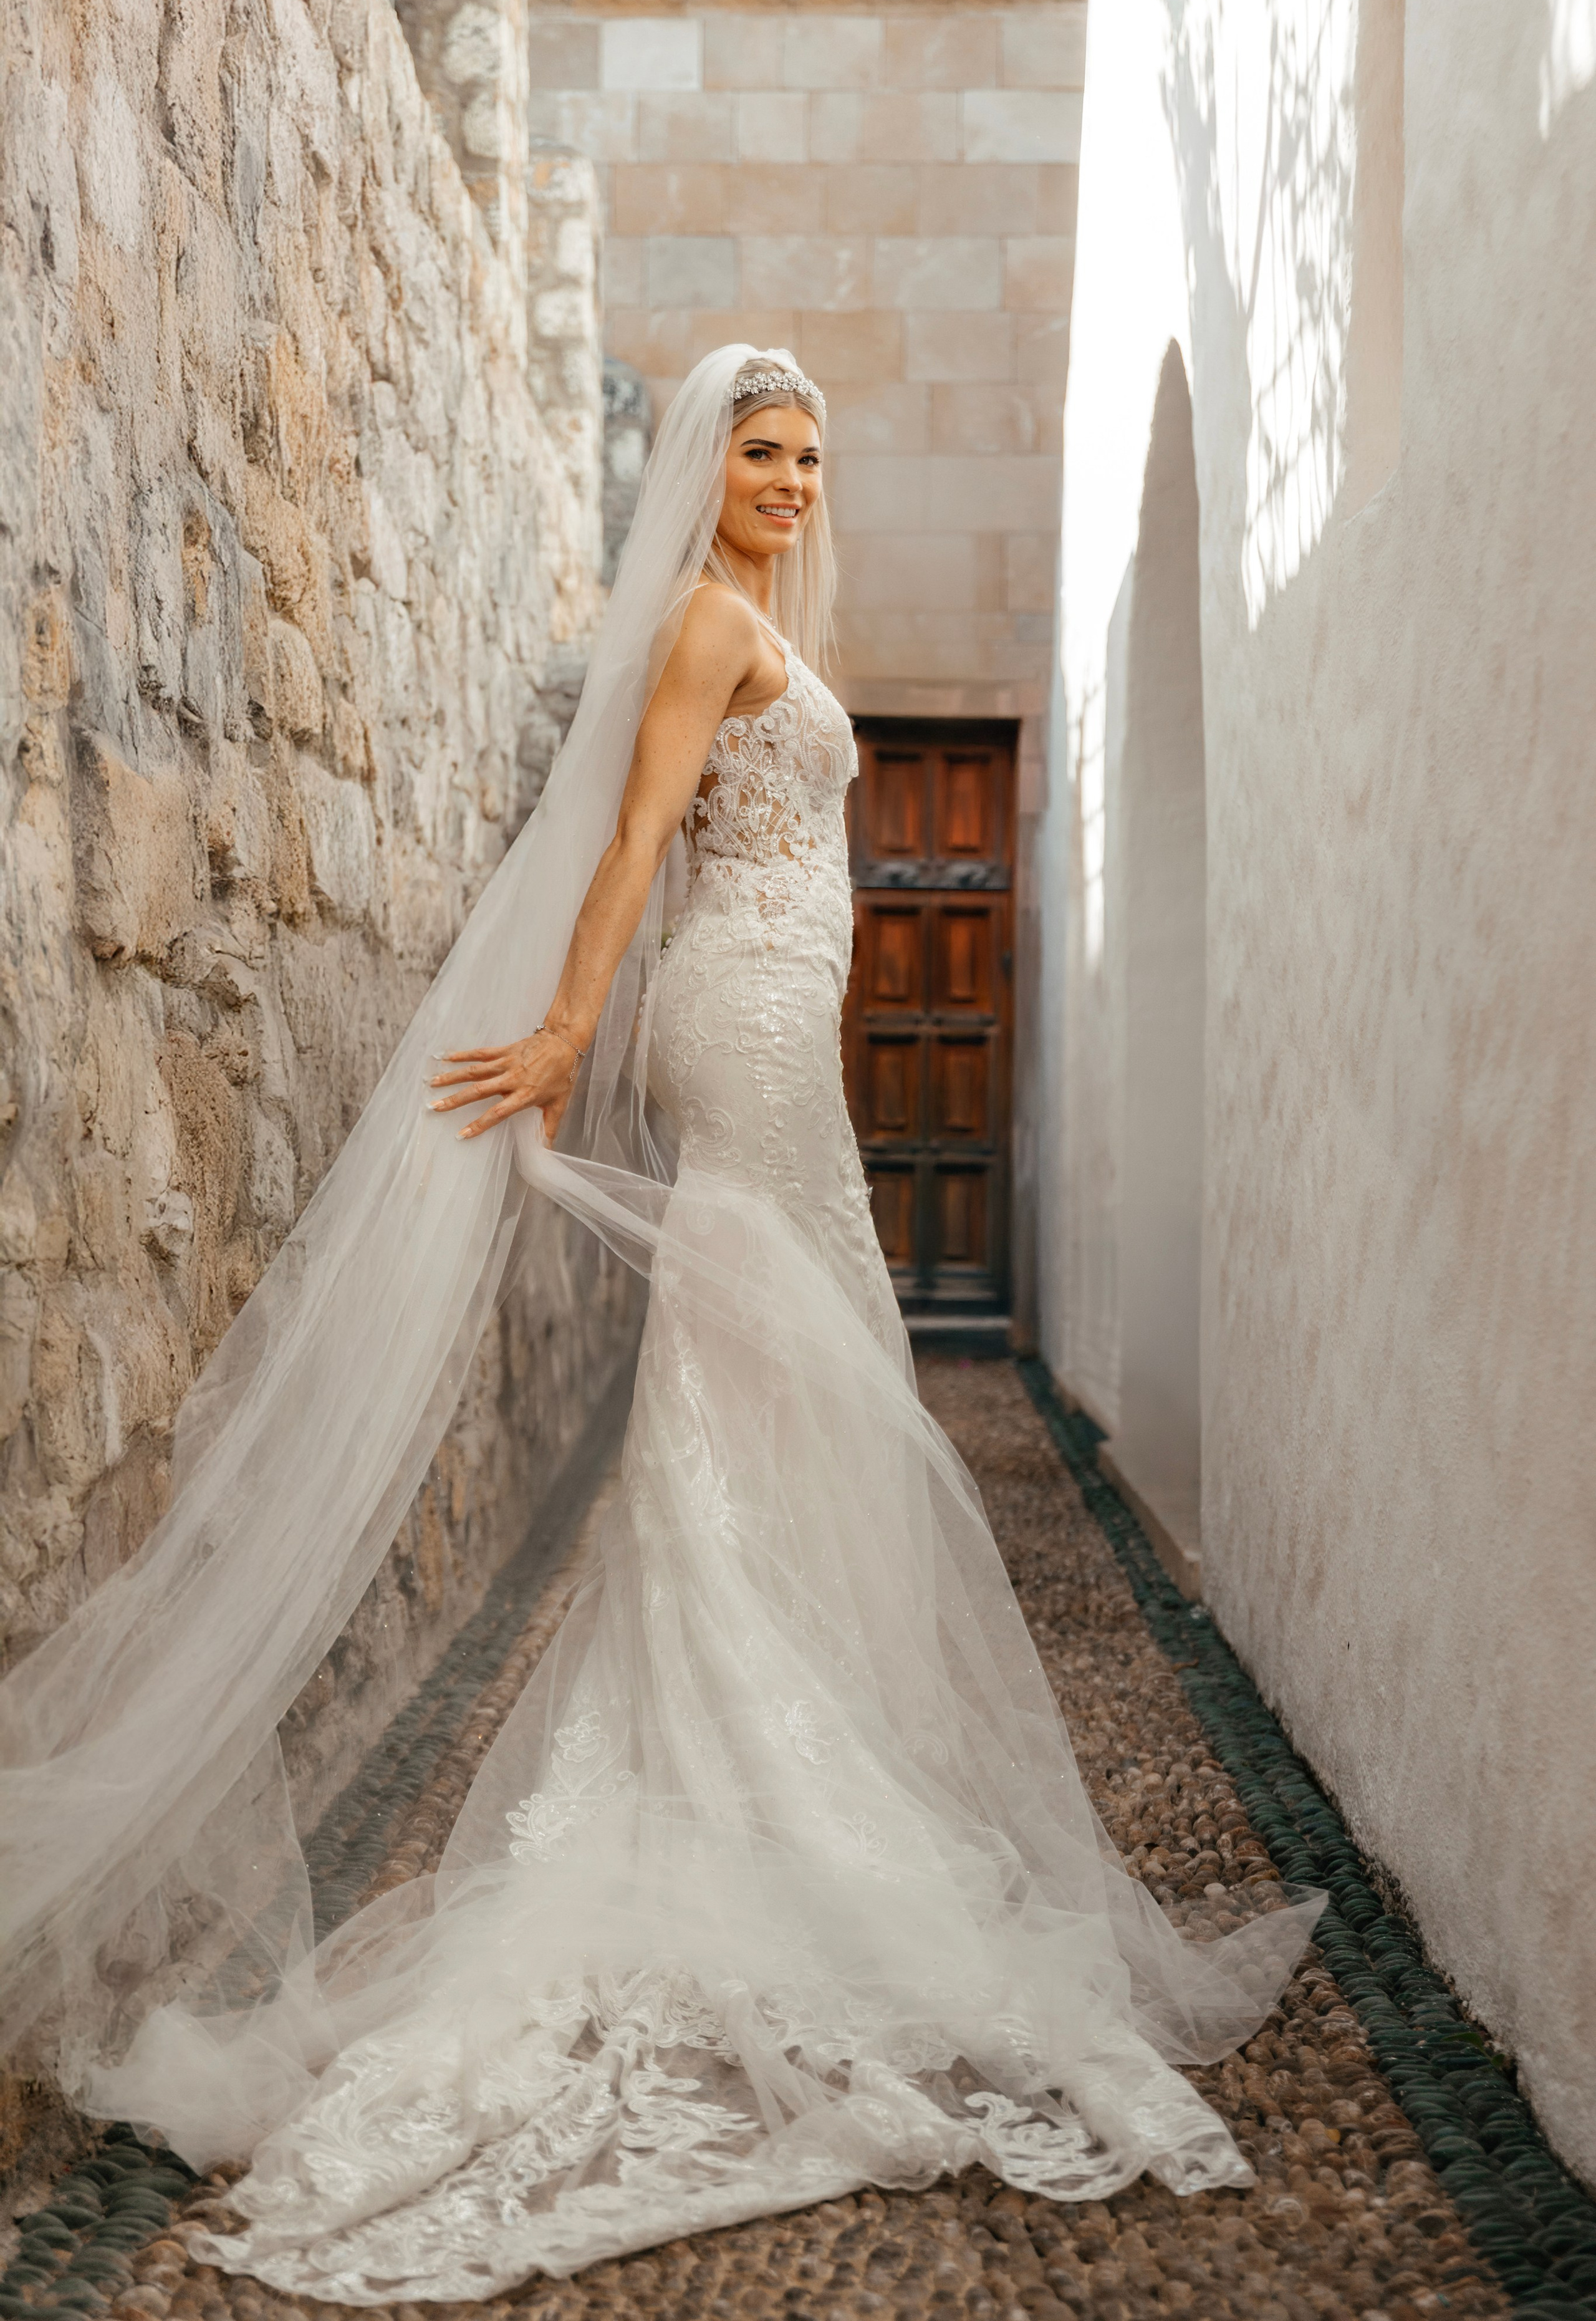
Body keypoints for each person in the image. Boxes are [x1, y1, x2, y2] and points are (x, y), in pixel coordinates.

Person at [0, 350, 1320, 2299]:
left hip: (782, 1021)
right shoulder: (708, 625)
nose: (791, 478)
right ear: (703, 477)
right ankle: (757, 1743)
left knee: (785, 1364)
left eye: (809, 453)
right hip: (735, 1017)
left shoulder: (762, 622)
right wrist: (557, 1030)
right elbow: (630, 842)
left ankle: (776, 1695)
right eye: (760, 453)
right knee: (787, 1350)